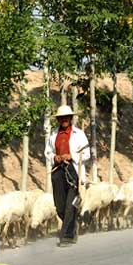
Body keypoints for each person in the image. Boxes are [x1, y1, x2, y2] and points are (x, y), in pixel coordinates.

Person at [44, 104, 91, 247]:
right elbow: (47, 152)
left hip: (73, 170)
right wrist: (55, 158)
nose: (64, 120)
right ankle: (72, 225)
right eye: (61, 118)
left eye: (66, 117)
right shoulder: (53, 135)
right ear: (58, 119)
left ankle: (66, 236)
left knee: (71, 204)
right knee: (60, 206)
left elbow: (87, 153)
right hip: (58, 170)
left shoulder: (79, 134)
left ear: (70, 118)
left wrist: (72, 156)